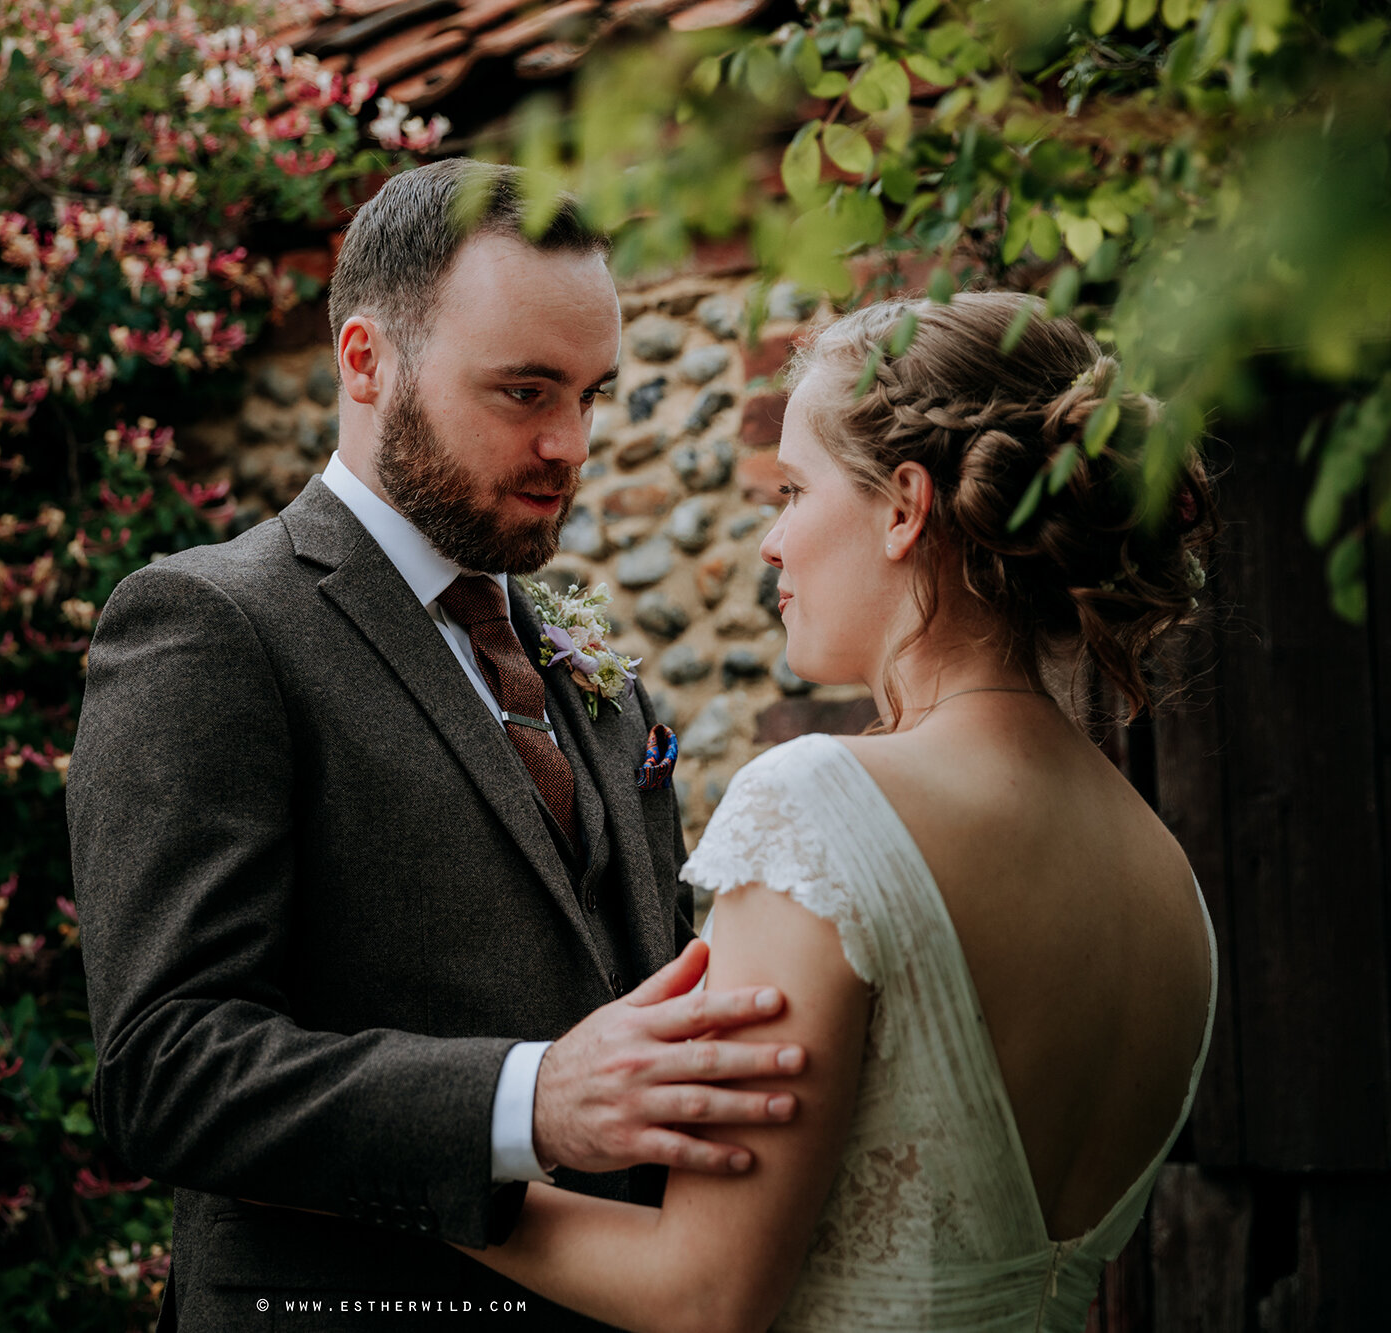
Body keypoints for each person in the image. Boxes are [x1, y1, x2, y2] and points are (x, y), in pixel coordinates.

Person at [68, 159, 806, 1330]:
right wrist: (527, 1100)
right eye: (523, 391)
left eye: (591, 394)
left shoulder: (578, 663)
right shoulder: (213, 625)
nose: (570, 444)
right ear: (365, 362)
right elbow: (164, 1065)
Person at [455, 290, 1220, 1331]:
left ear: (903, 506)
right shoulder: (1160, 871)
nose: (770, 542)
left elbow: (704, 1290)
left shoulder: (817, 809)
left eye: (790, 488)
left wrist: (417, 1171)